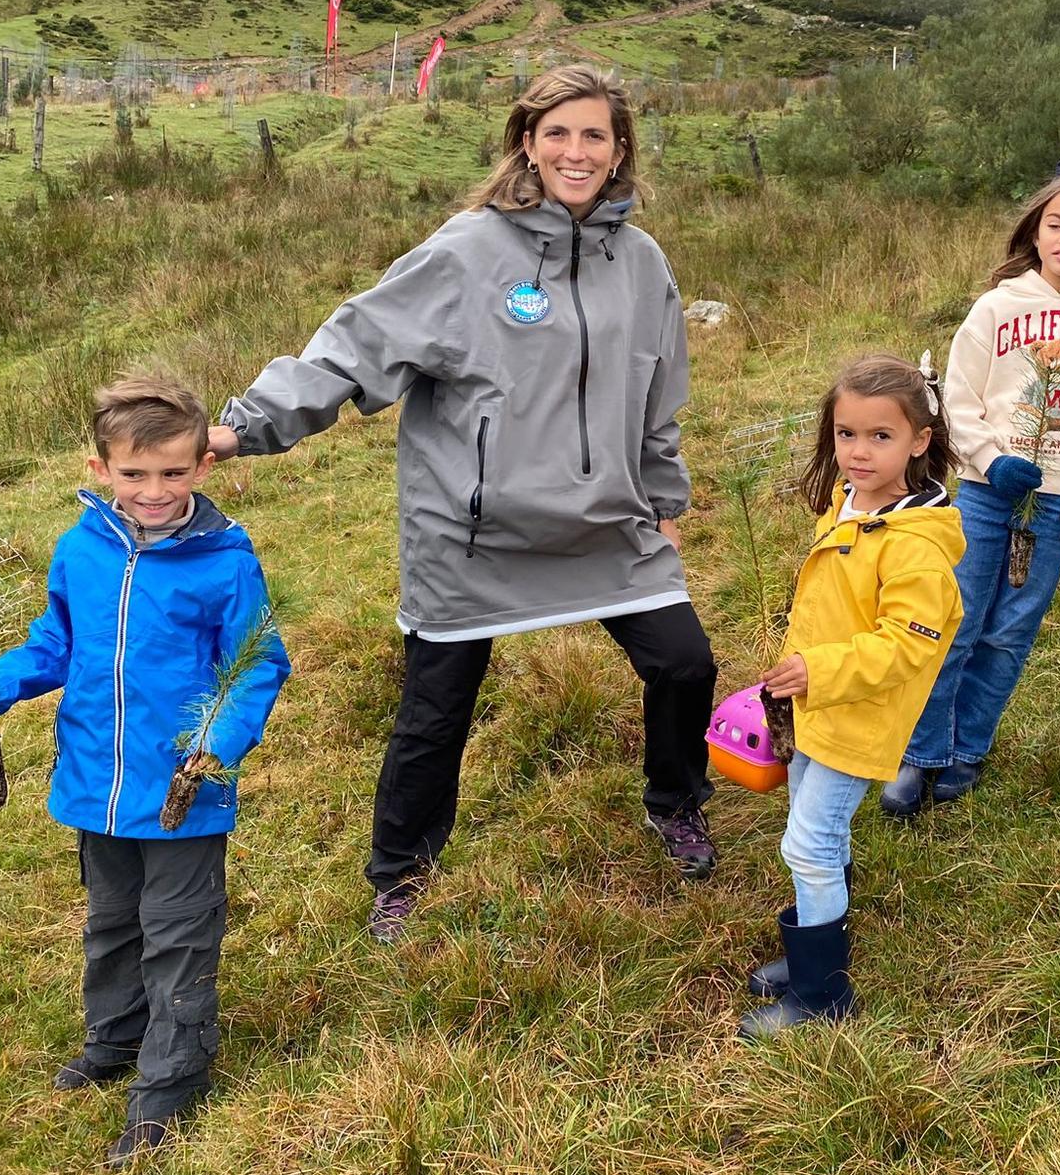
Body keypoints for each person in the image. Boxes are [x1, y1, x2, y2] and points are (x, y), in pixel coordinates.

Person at [208, 64, 720, 943]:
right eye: (557, 132)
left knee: (684, 665)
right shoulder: (467, 250)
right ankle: (400, 875)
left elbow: (656, 394)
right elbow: (354, 348)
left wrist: (664, 495)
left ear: (621, 149)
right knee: (436, 710)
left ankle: (674, 805)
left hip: (607, 523)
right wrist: (240, 428)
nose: (576, 150)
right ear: (526, 140)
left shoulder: (642, 263)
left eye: (595, 134)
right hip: (474, 531)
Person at [0, 377, 290, 1167]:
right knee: (111, 922)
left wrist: (220, 742)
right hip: (94, 788)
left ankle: (171, 1082)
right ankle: (115, 1037)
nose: (154, 491)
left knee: (177, 932)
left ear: (204, 464)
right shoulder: (81, 548)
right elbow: (54, 644)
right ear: (101, 468)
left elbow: (258, 663)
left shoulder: (226, 562)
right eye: (135, 474)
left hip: (182, 790)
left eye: (173, 473)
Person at [882, 171, 1060, 818]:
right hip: (988, 494)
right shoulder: (996, 307)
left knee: (1010, 632)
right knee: (952, 621)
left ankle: (969, 748)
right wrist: (991, 459)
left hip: (1056, 502)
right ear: (1035, 229)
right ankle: (921, 751)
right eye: (1056, 224)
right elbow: (955, 399)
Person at [739, 355, 965, 1039]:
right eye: (846, 435)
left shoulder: (916, 545)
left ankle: (822, 994)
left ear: (920, 440)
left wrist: (820, 670)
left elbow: (908, 643)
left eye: (880, 437)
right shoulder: (850, 504)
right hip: (816, 704)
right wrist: (795, 676)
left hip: (859, 716)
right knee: (816, 837)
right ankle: (817, 940)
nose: (858, 453)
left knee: (809, 843)